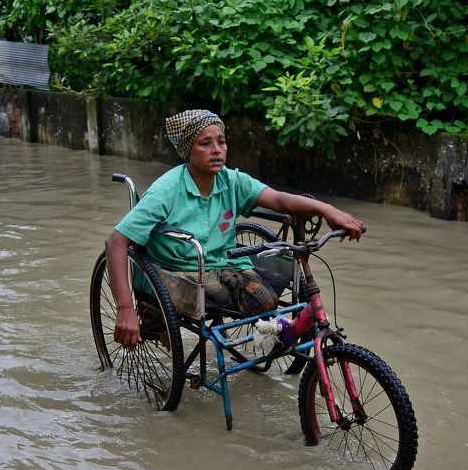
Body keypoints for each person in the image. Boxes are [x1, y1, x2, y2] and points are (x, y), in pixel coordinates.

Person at [105, 108, 365, 349]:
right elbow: (116, 242)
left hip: (221, 262)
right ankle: (270, 328)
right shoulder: (167, 190)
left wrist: (328, 210)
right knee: (253, 299)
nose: (216, 150)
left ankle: (278, 330)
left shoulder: (232, 180)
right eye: (205, 143)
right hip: (177, 269)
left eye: (221, 141)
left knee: (269, 296)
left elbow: (279, 199)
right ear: (188, 151)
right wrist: (125, 307)